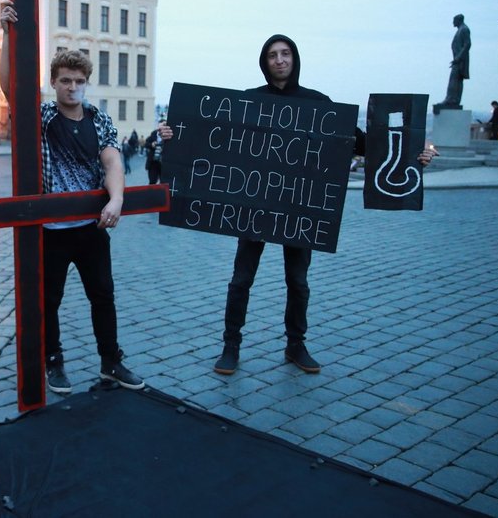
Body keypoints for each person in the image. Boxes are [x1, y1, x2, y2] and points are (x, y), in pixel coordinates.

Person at [159, 34, 437, 376]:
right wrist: (173, 134)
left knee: (298, 282)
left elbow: (366, 146)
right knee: (240, 280)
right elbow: (206, 138)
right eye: (272, 55)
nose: (279, 60)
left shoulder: (319, 103)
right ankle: (230, 347)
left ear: (294, 58)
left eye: (285, 53)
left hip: (300, 210)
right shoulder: (249, 101)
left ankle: (296, 345)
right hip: (252, 206)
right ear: (264, 62)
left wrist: (413, 155)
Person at [0, 0, 143, 394]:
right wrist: (6, 35)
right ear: (54, 82)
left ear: (86, 82)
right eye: (65, 80)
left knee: (103, 295)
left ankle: (111, 362)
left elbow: (113, 160)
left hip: (91, 226)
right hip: (51, 230)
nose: (73, 87)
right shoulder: (43, 117)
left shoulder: (99, 119)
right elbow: (9, 87)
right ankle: (53, 362)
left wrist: (115, 200)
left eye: (79, 81)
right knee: (48, 301)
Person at [435, 14, 471, 111]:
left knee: (455, 80)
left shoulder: (464, 29)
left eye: (454, 20)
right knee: (455, 80)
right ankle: (451, 99)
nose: (453, 22)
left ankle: (452, 99)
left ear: (458, 20)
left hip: (459, 61)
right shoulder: (461, 29)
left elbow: (467, 44)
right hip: (457, 60)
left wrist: (458, 58)